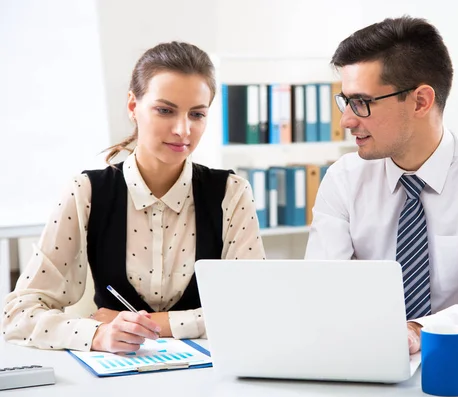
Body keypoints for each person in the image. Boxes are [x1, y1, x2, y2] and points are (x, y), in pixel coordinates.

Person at [2, 42, 265, 353]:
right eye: (165, 110)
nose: (183, 129)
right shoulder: (85, 192)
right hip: (113, 376)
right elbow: (17, 316)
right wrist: (98, 334)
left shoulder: (231, 193)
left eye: (197, 114)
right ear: (132, 106)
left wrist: (158, 324)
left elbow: (255, 309)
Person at [305, 16, 458, 354]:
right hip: (364, 359)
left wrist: (415, 331)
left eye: (362, 103)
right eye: (345, 101)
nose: (346, 121)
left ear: (420, 101)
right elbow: (319, 292)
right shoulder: (343, 179)